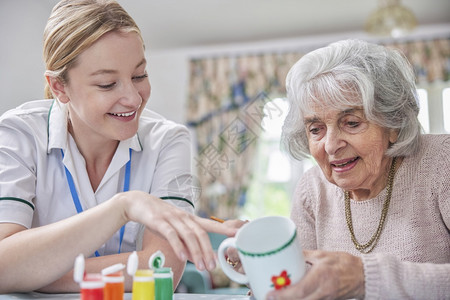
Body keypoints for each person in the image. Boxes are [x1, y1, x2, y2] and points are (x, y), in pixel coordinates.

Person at [0, 0, 238, 293]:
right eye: (107, 84)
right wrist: (123, 207)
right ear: (59, 87)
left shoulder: (168, 141)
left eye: (139, 76)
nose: (134, 99)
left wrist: (29, 271)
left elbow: (161, 268)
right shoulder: (18, 133)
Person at [264, 39, 450, 299]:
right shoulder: (312, 189)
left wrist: (366, 277)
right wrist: (261, 266)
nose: (330, 146)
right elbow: (298, 284)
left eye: (351, 123)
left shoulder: (442, 162)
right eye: (316, 129)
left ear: (393, 124)